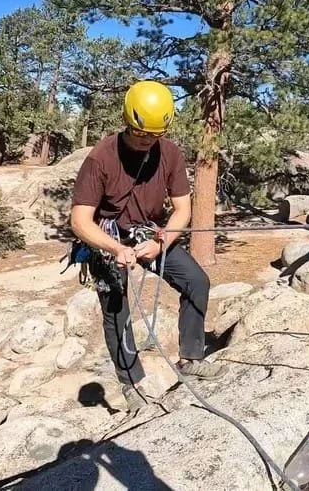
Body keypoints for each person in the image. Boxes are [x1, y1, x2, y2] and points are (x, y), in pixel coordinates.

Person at [69, 80, 226, 412]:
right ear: (128, 122)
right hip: (106, 237)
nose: (146, 142)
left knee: (196, 281)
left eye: (154, 135)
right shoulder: (101, 158)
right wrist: (114, 249)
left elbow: (183, 208)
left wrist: (162, 242)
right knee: (116, 308)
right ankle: (132, 386)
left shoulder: (168, 153)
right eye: (141, 134)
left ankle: (191, 358)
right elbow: (80, 220)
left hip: (150, 234)